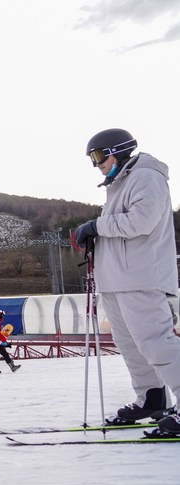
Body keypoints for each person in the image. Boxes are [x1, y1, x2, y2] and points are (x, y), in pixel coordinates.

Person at [74, 128, 180, 433]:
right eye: (92, 159)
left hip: (142, 278)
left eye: (99, 157)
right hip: (116, 281)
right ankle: (151, 397)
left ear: (117, 151)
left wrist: (96, 226)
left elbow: (141, 222)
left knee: (157, 344)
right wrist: (94, 238)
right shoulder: (119, 184)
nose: (97, 165)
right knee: (132, 346)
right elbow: (118, 232)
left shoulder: (146, 176)